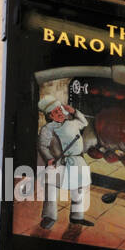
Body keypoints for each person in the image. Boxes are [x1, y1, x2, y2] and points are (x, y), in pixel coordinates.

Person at [36, 97, 93, 228]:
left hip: (76, 160)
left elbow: (84, 122)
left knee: (78, 189)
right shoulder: (47, 129)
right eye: (55, 112)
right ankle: (49, 217)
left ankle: (77, 217)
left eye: (59, 110)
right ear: (50, 116)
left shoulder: (72, 123)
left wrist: (73, 111)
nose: (60, 113)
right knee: (51, 188)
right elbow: (42, 146)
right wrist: (49, 158)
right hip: (58, 162)